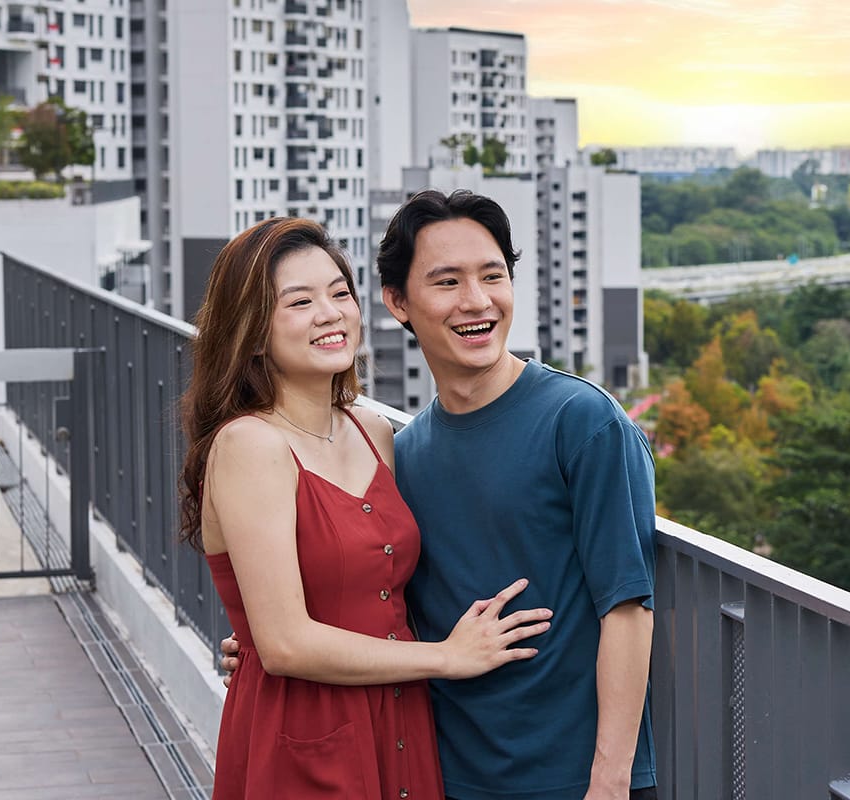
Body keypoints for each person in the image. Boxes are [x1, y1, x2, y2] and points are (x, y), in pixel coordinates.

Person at [225, 190, 658, 799]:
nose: (477, 301)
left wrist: (610, 783)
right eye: (447, 281)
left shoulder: (582, 421)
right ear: (398, 302)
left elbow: (628, 608)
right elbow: (378, 590)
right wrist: (262, 638)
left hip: (571, 781)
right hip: (438, 770)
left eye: (493, 276)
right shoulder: (406, 450)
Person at [181, 216, 552, 799]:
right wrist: (446, 657)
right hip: (304, 730)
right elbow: (283, 645)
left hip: (400, 720)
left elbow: (381, 583)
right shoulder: (249, 444)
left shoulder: (374, 431)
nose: (331, 314)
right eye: (299, 301)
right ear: (253, 332)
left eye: (339, 293)